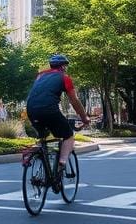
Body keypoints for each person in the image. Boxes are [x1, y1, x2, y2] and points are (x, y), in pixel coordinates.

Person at [25, 54, 89, 191]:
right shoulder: (65, 78)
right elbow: (74, 101)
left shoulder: (40, 76)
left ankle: (41, 157)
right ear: (63, 66)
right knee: (68, 135)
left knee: (44, 137)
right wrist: (84, 118)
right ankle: (62, 163)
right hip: (49, 110)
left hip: (31, 110)